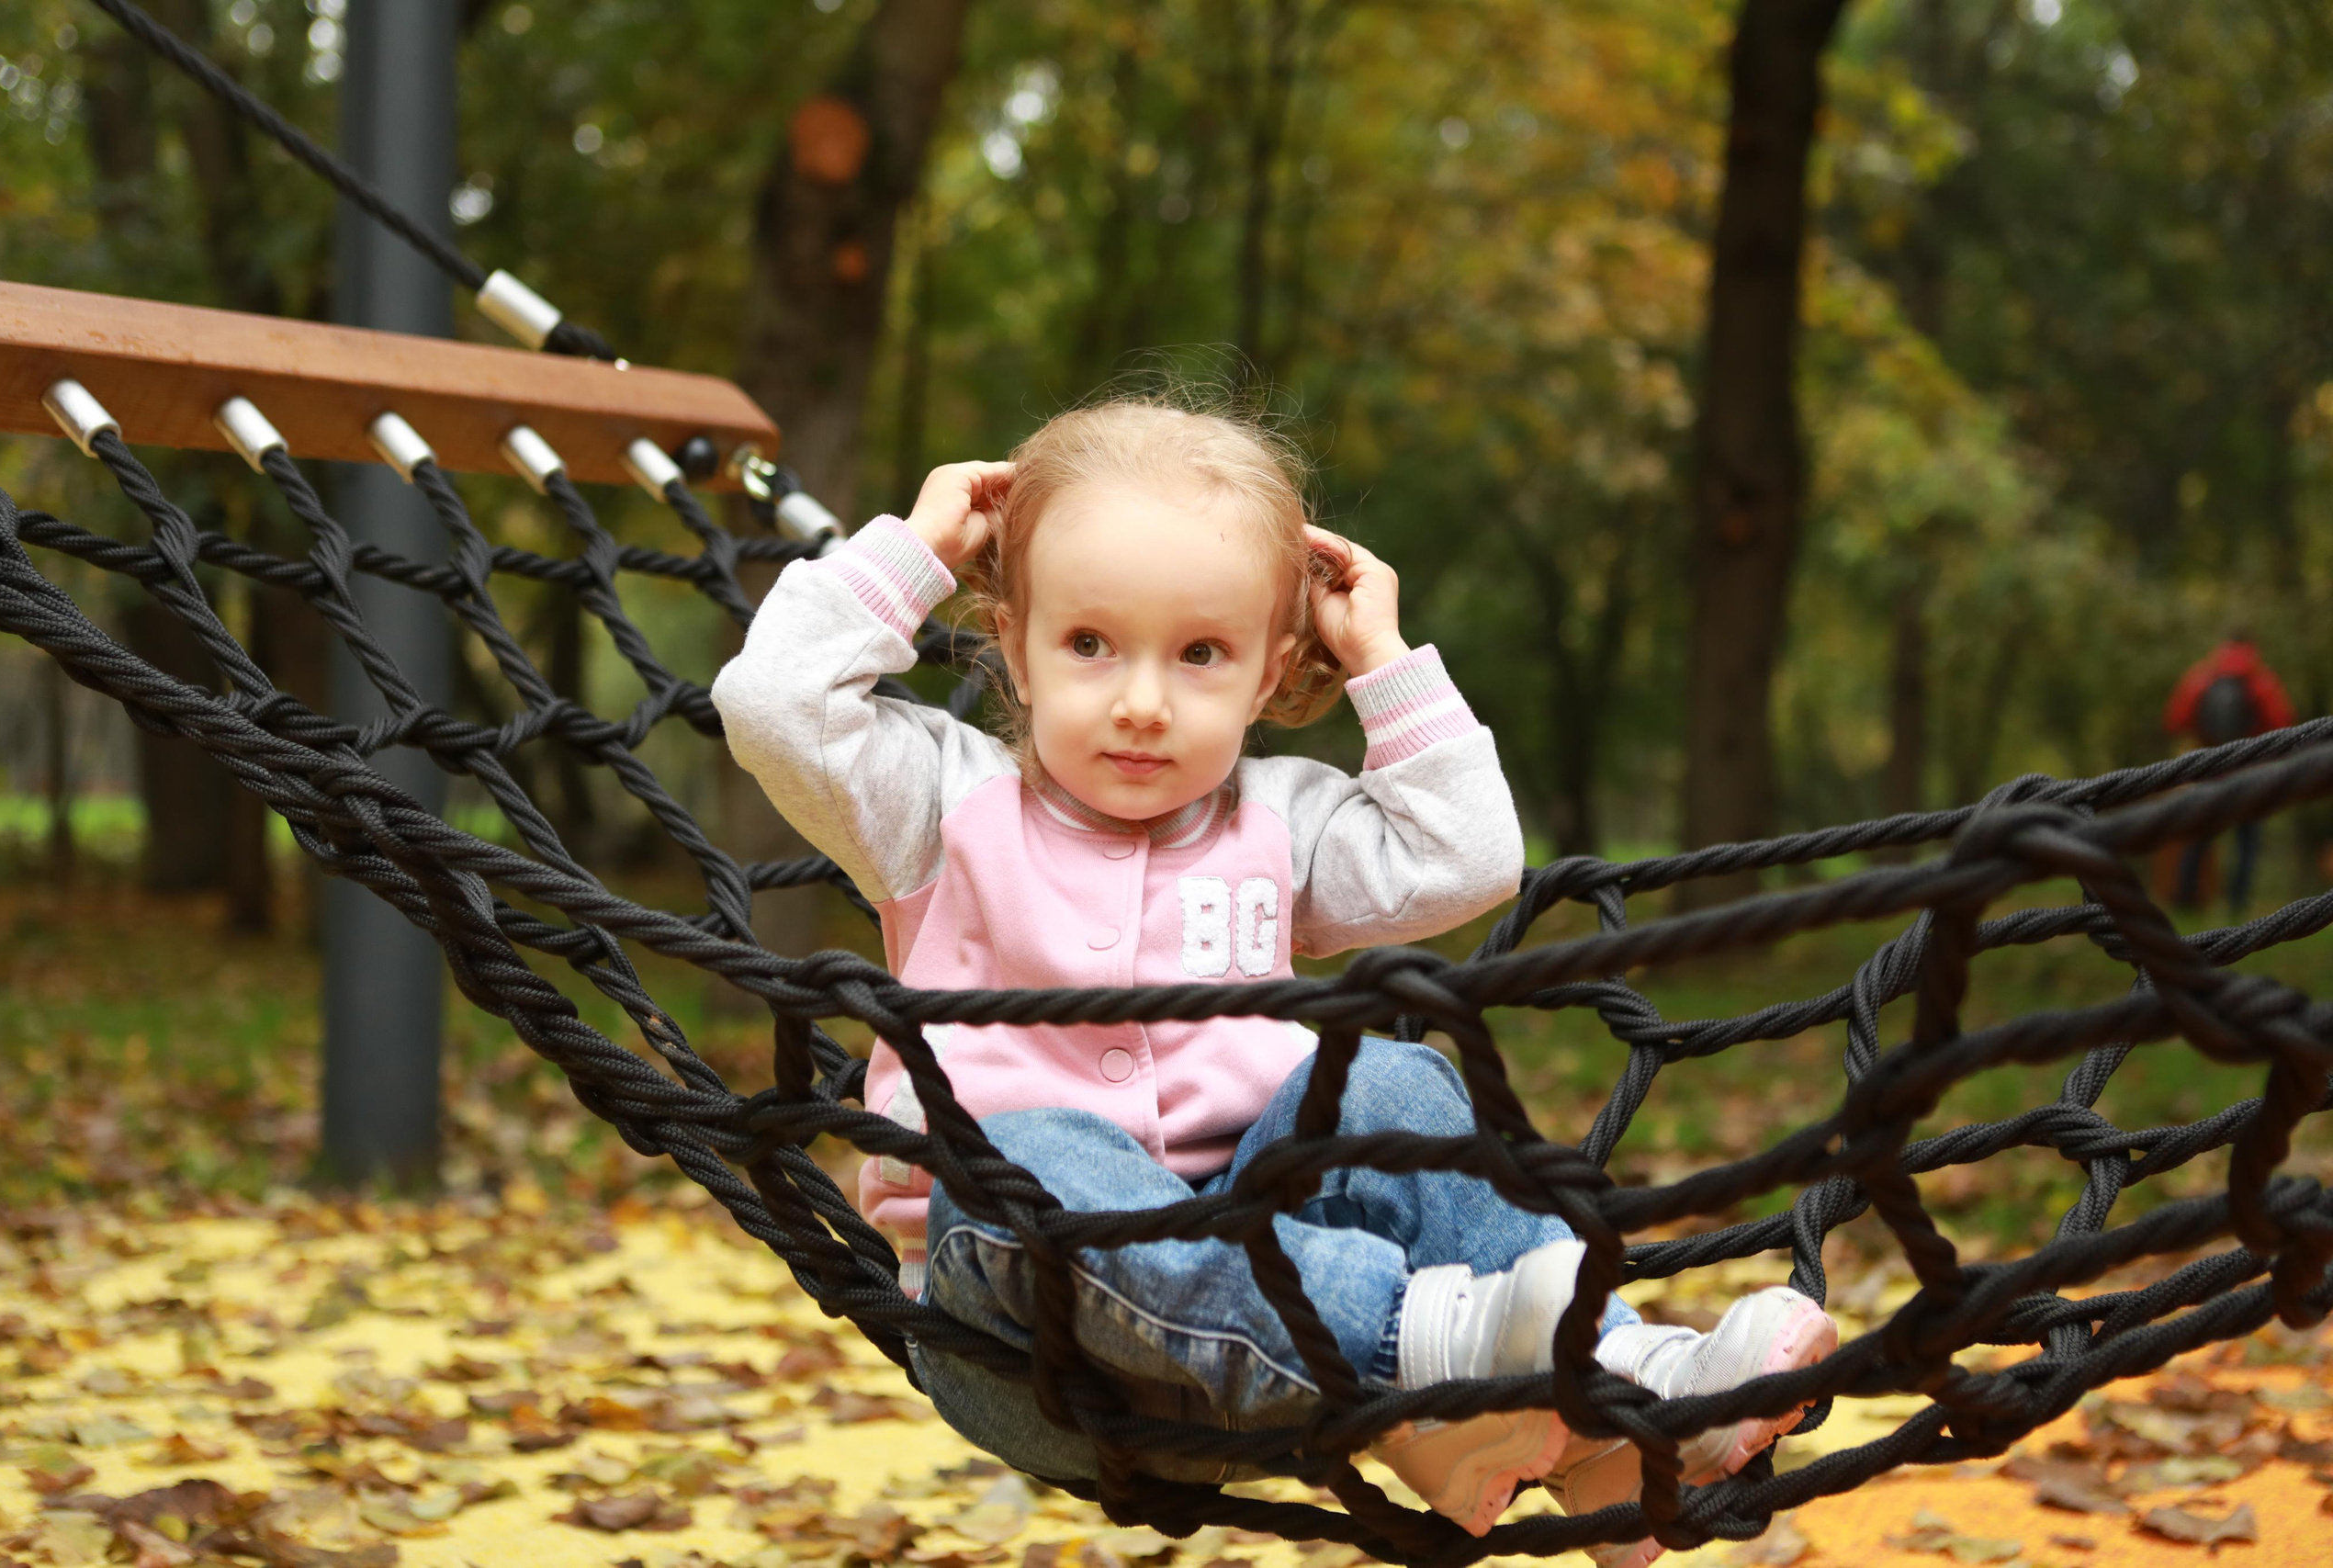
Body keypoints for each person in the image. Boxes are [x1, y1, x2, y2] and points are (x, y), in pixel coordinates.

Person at [714, 399, 1835, 1558]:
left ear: (1268, 676)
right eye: (1088, 644)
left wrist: (1380, 660)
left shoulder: (1278, 824)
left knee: (1390, 1084)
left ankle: (1618, 1402)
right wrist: (914, 551)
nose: (1141, 702)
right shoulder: (938, 803)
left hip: (1286, 1331)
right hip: (1039, 1351)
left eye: (1200, 655)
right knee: (1021, 1155)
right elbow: (770, 705)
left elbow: (1469, 860)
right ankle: (1441, 1355)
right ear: (1013, 645)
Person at [2163, 630, 2294, 914]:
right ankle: (2238, 905)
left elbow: (2175, 720)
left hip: (2210, 770)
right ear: (2251, 648)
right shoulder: (2261, 681)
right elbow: (2283, 723)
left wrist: (2202, 742)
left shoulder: (2202, 677)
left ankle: (2186, 901)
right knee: (2247, 843)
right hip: (2250, 772)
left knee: (2199, 838)